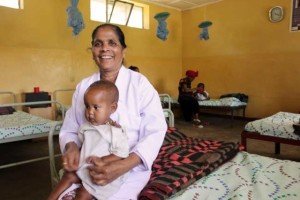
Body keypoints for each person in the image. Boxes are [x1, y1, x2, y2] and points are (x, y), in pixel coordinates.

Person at [57, 23, 167, 200]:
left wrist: (124, 165)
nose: (104, 49)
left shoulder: (139, 84)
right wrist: (71, 147)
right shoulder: (84, 86)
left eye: (112, 43)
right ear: (92, 50)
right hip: (87, 165)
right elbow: (70, 129)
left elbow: (155, 131)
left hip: (129, 169)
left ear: (123, 51)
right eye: (98, 44)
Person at [48, 80, 130, 200]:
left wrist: (103, 160)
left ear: (112, 108)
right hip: (84, 166)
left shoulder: (115, 131)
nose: (90, 112)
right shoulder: (86, 127)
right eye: (87, 106)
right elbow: (84, 144)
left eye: (96, 107)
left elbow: (122, 153)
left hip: (99, 170)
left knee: (84, 192)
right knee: (68, 176)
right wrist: (75, 153)